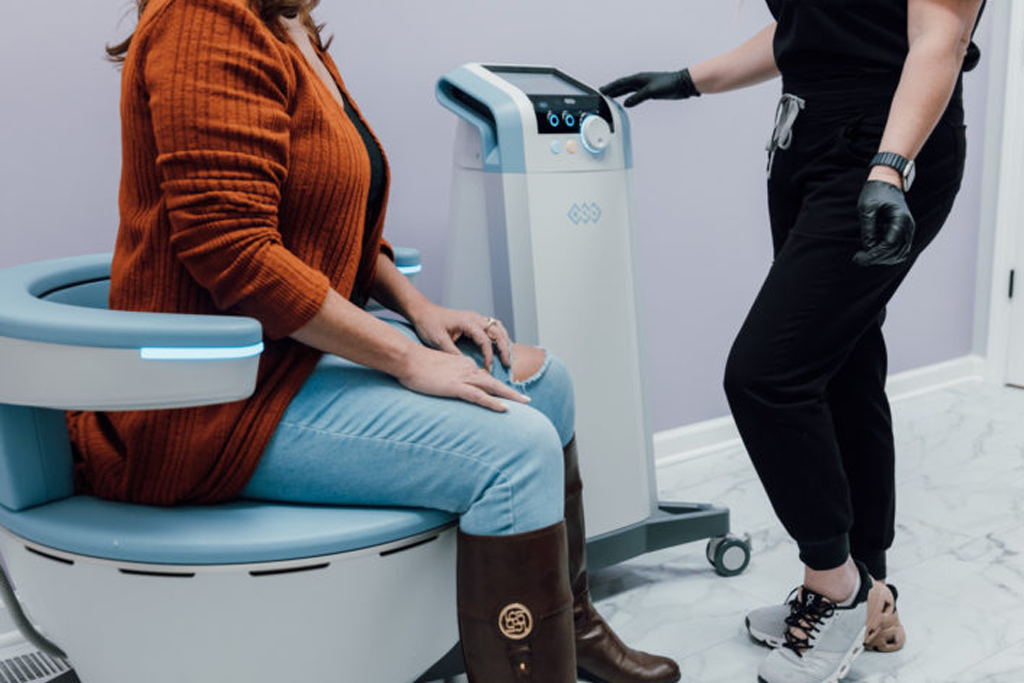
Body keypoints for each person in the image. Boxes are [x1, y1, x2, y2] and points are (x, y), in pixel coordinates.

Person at [66, 1, 681, 681]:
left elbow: (327, 212)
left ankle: (570, 625)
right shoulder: (205, 17)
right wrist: (408, 360)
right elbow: (234, 251)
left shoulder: (287, 21)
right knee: (518, 450)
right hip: (211, 404)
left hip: (285, 361)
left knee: (546, 380)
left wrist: (420, 310)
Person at [602, 1, 986, 681]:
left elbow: (940, 36)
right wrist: (691, 78)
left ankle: (833, 589)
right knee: (842, 364)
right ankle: (868, 592)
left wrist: (890, 166)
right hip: (808, 141)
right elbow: (807, 30)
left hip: (886, 145)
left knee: (767, 374)